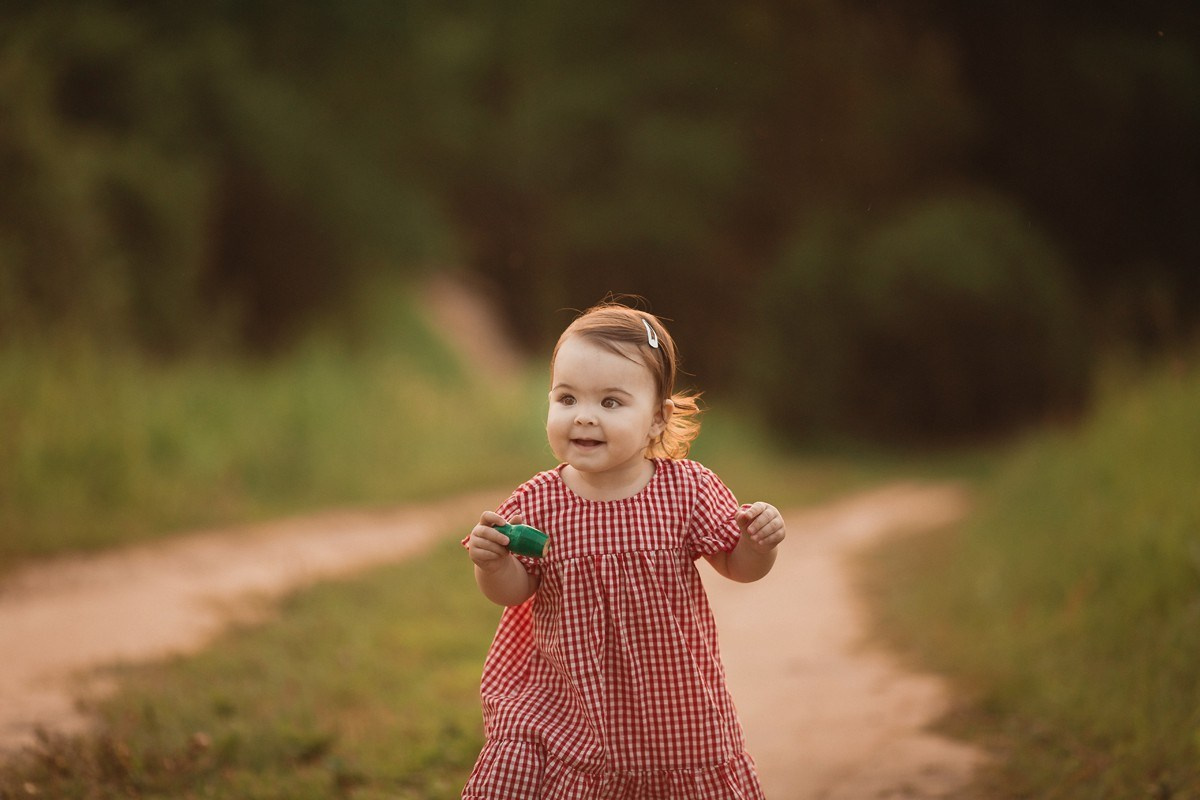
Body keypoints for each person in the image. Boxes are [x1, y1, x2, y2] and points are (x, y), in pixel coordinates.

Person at [462, 301, 786, 799]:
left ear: (657, 419)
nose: (584, 417)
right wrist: (494, 563)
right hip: (569, 707)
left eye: (610, 403)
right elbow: (514, 593)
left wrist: (757, 546)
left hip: (673, 710)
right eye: (567, 399)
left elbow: (737, 566)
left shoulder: (686, 490)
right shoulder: (538, 501)